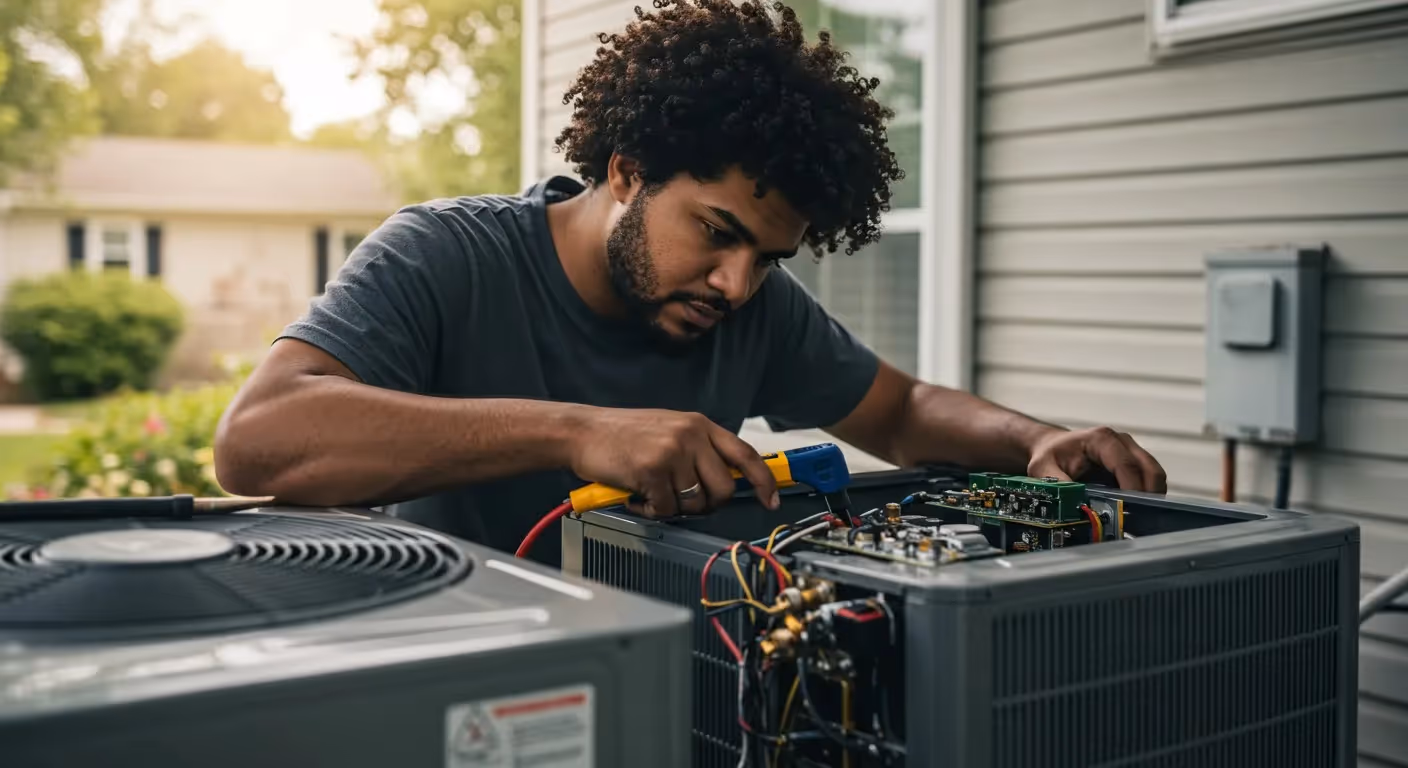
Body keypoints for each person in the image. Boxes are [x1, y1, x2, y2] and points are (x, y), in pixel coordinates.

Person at [213, 0, 1166, 565]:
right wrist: (578, 428)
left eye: (771, 258)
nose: (739, 283)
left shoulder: (748, 307)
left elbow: (906, 408)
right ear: (627, 171)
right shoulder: (443, 255)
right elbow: (259, 445)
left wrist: (1041, 438)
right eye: (718, 232)